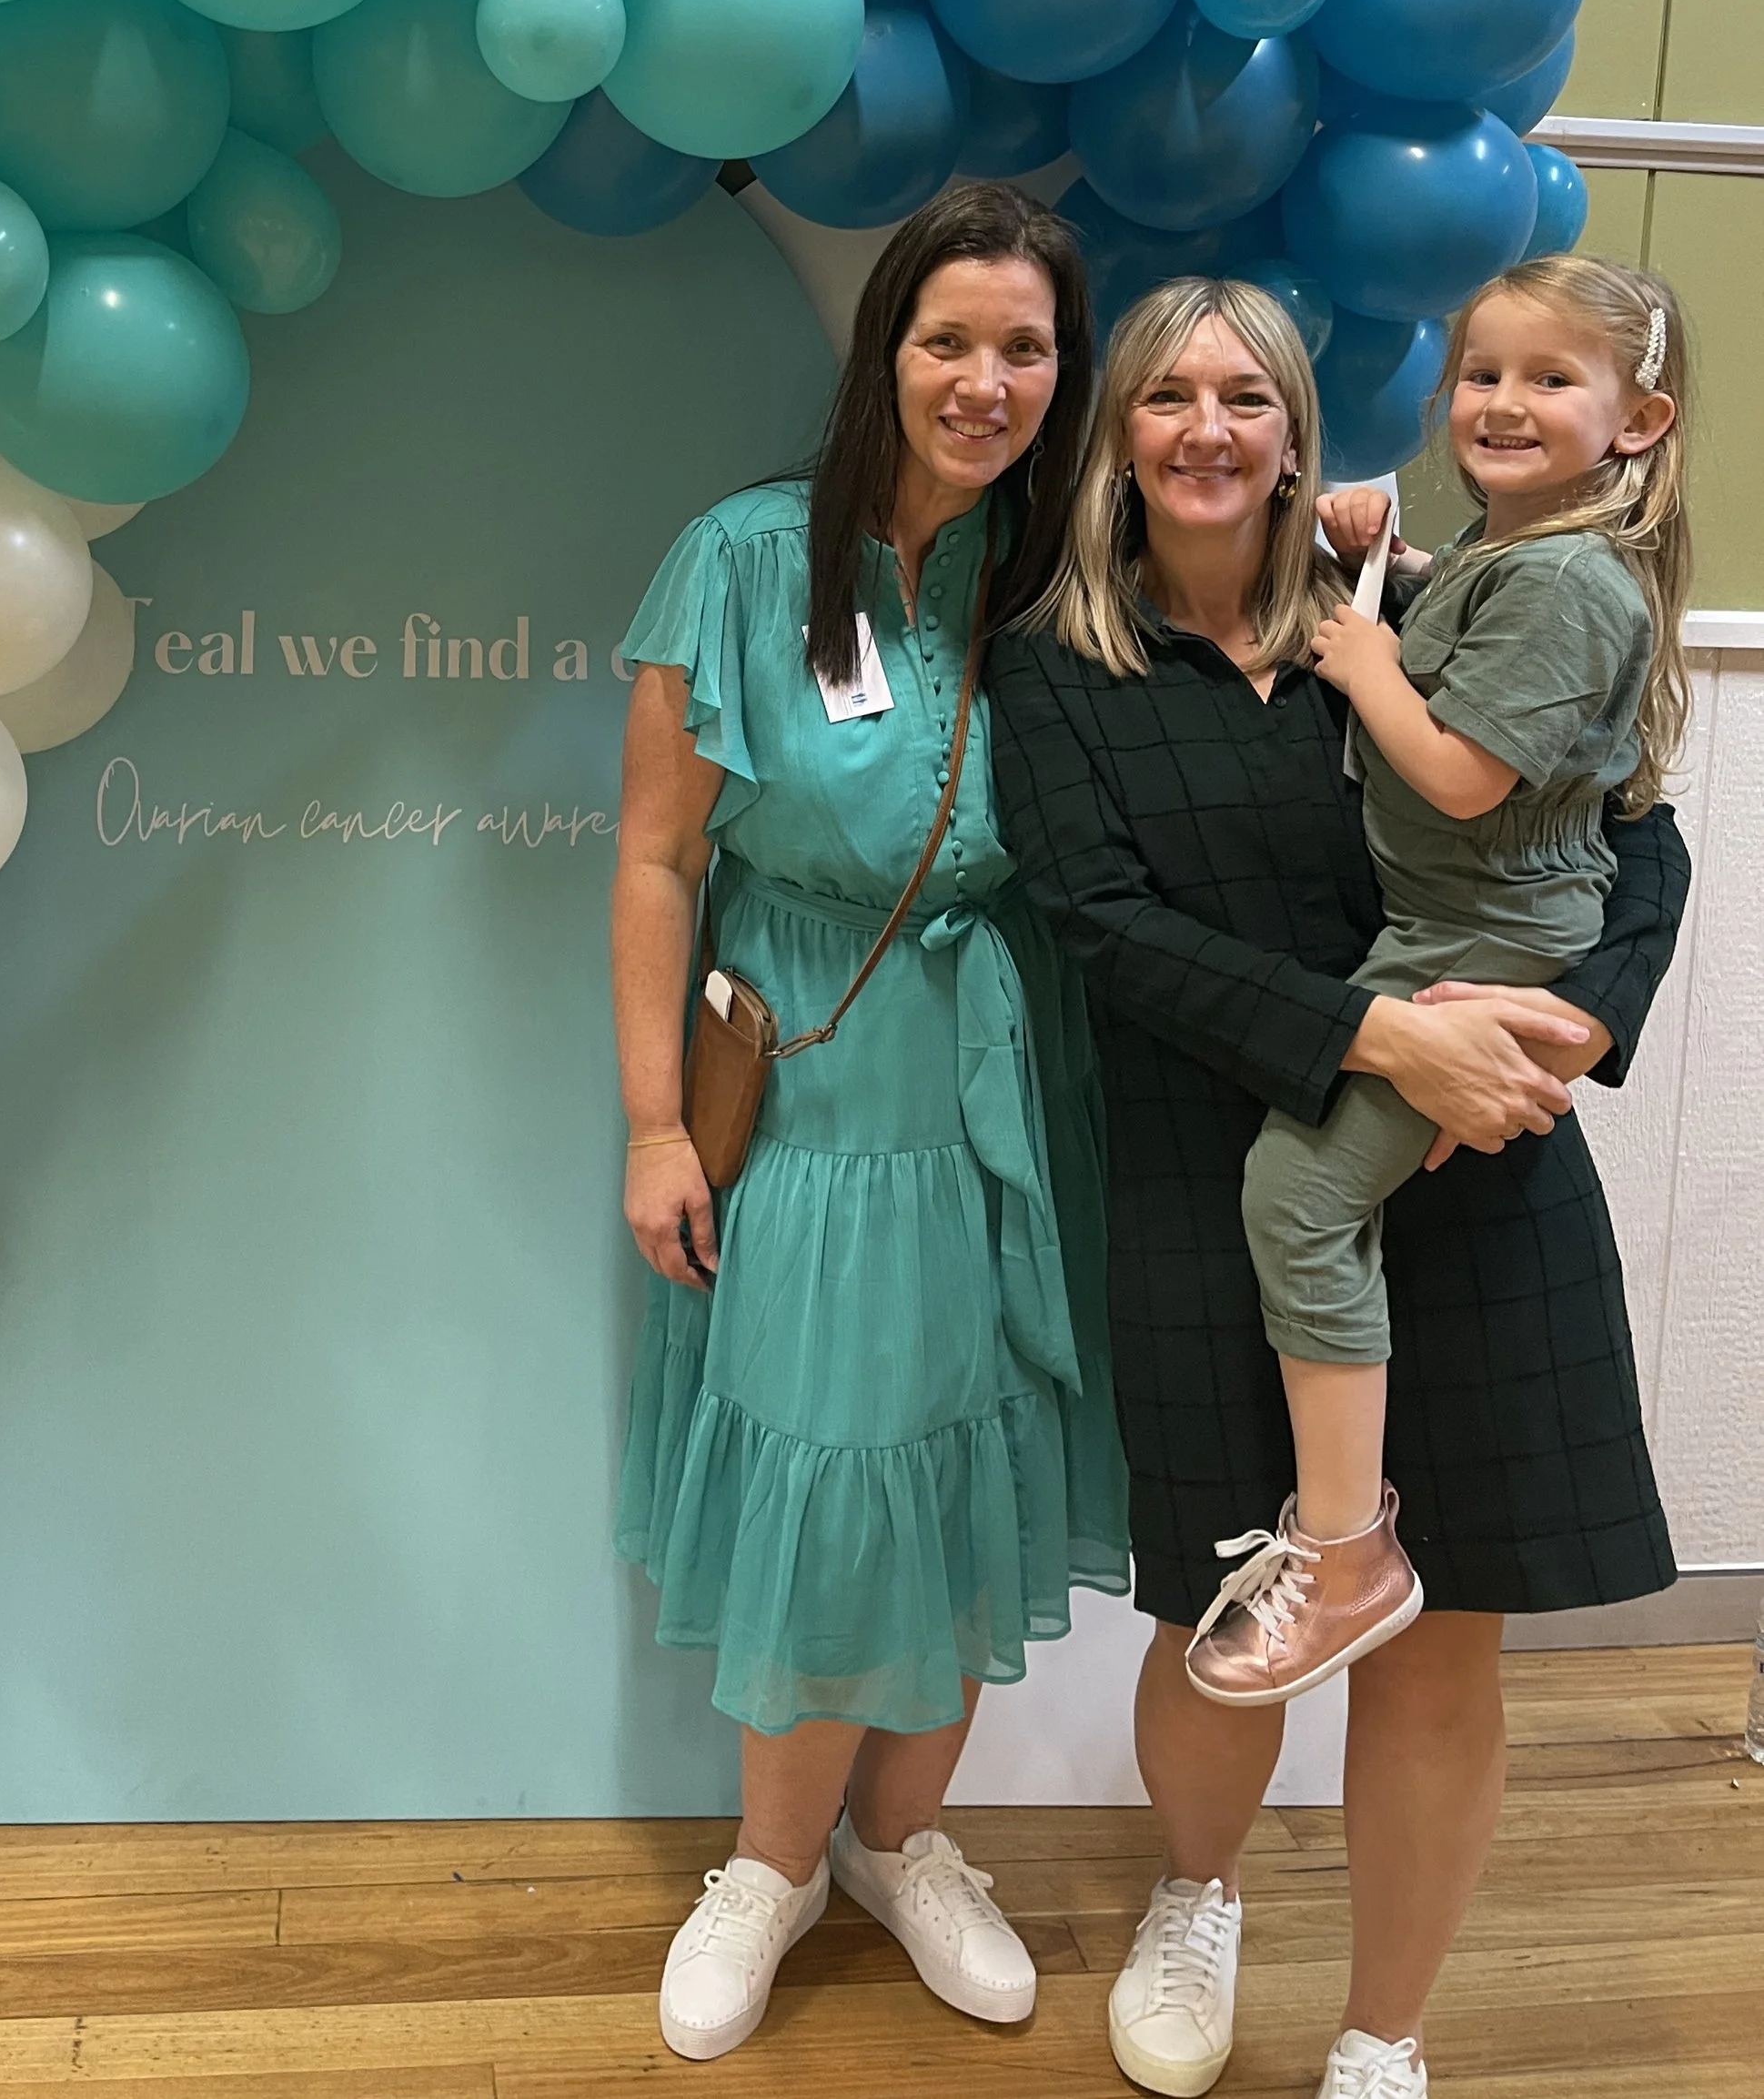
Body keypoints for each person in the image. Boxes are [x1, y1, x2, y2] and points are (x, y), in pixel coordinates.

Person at [988, 277, 1687, 2099]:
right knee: (1225, 1601)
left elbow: (1632, 837)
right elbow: (1099, 925)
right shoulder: (1052, 663)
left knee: (1442, 1637)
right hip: (1220, 1172)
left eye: (1244, 393)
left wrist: (1559, 1042)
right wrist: (1381, 1049)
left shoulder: (1400, 610)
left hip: (1480, 1167)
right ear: (1115, 434)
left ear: (1299, 428)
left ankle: (1385, 2032)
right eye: (1164, 397)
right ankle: (1194, 1892)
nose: (1204, 428)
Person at [610, 182, 1128, 2064]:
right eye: (946, 338)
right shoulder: (747, 560)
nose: (981, 379)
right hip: (814, 1092)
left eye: (1022, 346)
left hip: (1010, 1081)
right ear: (881, 351)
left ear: (1060, 372)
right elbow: (660, 855)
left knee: (969, 1465)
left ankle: (905, 1842)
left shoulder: (1070, 570)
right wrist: (656, 1122)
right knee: (831, 1475)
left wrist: (1356, 534)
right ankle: (770, 1862)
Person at [1191, 257, 1690, 1710]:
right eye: (1482, 373)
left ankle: (1346, 1551)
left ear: (1638, 419)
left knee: (1297, 1196)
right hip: (1452, 932)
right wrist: (1388, 563)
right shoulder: (1509, 554)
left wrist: (1360, 659)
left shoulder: (1575, 577)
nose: (1503, 402)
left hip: (1478, 941)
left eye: (1551, 379)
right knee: (1319, 1190)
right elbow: (1474, 648)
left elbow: (1466, 776)